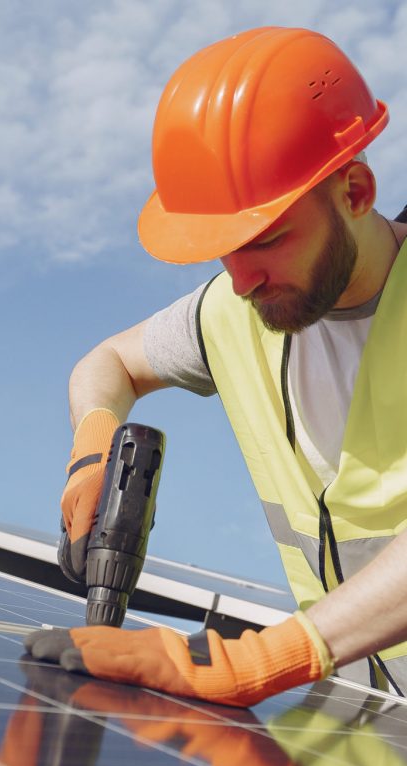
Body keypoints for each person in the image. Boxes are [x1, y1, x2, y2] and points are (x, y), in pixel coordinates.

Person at [25, 25, 407, 705]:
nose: (241, 281)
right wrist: (92, 444)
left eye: (264, 239)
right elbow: (108, 360)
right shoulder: (230, 315)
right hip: (371, 719)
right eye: (221, 248)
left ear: (354, 191)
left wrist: (266, 657)